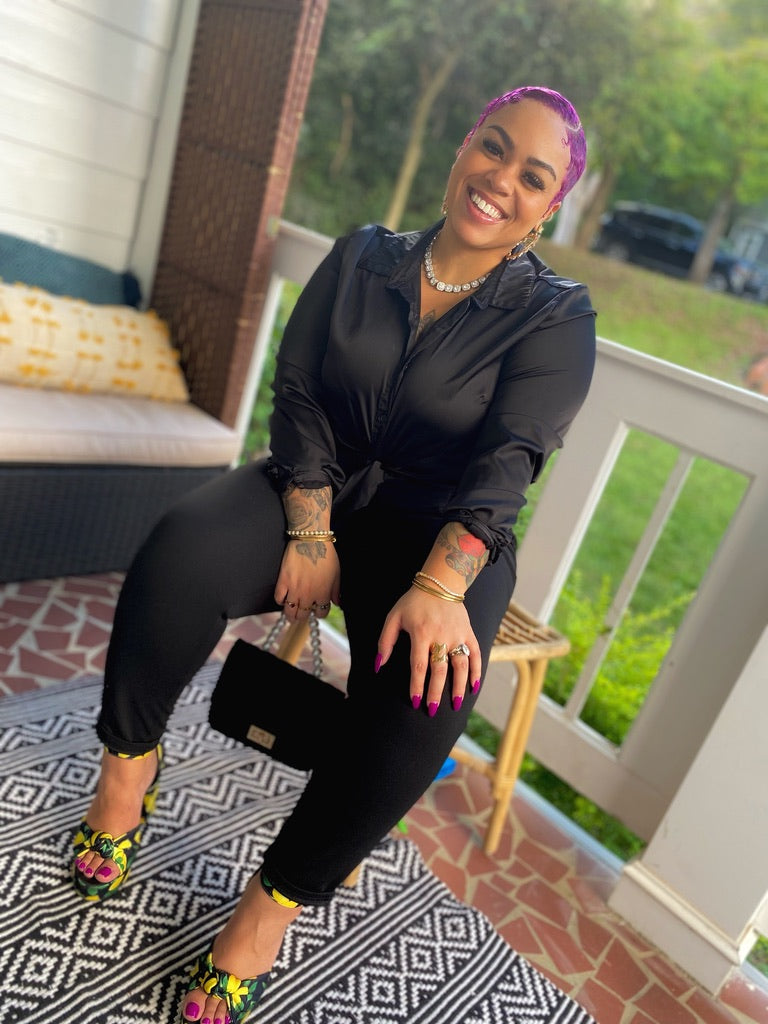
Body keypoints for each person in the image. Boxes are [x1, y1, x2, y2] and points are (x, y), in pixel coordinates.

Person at [71, 85, 596, 1023]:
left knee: (432, 690)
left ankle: (270, 908)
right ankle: (126, 777)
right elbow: (301, 385)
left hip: (441, 529)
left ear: (550, 206)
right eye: (493, 147)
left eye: (533, 176)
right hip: (316, 478)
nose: (501, 180)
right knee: (179, 554)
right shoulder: (361, 255)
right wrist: (311, 529)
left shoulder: (555, 315)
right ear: (463, 148)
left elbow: (509, 458)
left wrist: (442, 585)